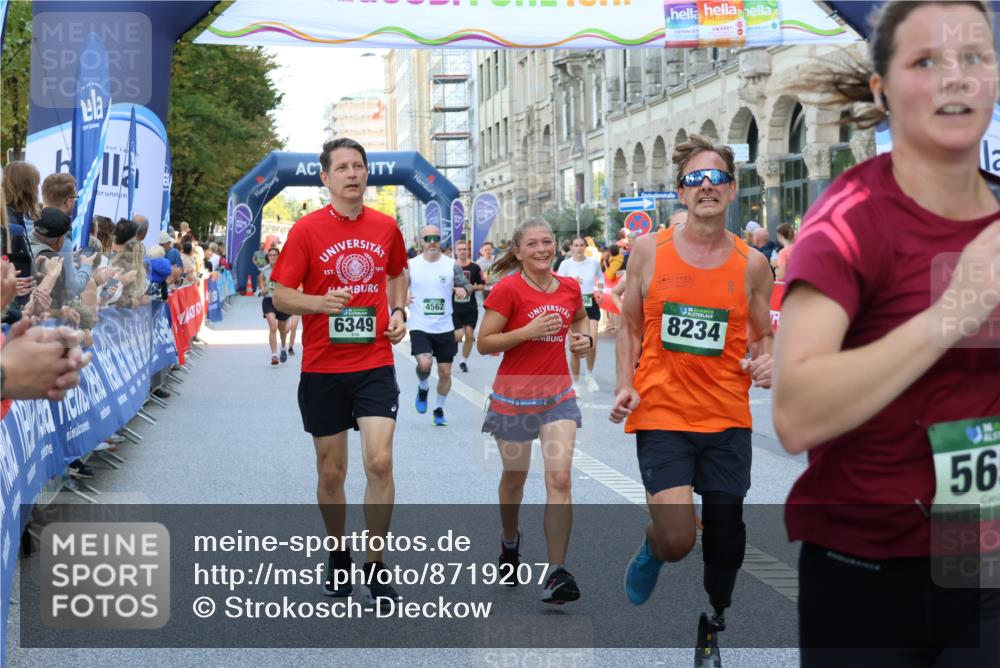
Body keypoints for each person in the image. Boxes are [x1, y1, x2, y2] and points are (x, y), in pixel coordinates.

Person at [773, 2, 1000, 666]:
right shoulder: (849, 219)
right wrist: (950, 314)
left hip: (979, 550)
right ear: (882, 90)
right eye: (926, 62)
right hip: (863, 570)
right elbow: (795, 415)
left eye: (973, 60)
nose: (953, 80)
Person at [610, 134, 774, 664]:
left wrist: (766, 360)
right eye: (695, 179)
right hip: (662, 409)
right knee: (680, 540)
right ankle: (656, 545)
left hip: (727, 411)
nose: (706, 187)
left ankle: (717, 615)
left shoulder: (753, 265)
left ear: (732, 189)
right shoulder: (646, 251)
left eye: (716, 178)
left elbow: (762, 335)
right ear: (680, 192)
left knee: (727, 529)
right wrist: (624, 384)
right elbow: (631, 327)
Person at [270, 137, 408, 608]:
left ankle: (376, 561)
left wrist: (398, 311)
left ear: (367, 174)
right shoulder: (307, 231)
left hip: (374, 362)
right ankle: (337, 552)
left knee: (380, 462)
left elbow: (396, 273)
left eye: (359, 166)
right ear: (325, 177)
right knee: (332, 472)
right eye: (343, 167)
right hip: (323, 365)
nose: (353, 174)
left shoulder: (386, 227)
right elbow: (281, 294)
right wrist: (318, 303)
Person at [477, 218, 592, 604]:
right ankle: (509, 542)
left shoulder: (569, 287)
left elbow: (579, 317)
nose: (542, 249)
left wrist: (584, 339)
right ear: (518, 251)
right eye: (532, 244)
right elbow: (484, 342)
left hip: (557, 396)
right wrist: (526, 331)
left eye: (547, 241)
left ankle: (557, 572)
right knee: (515, 478)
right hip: (513, 397)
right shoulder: (508, 290)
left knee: (559, 479)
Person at [407, 225, 470, 426]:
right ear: (421, 241)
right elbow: (396, 286)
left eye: (435, 238)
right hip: (419, 324)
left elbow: (466, 285)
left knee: (445, 372)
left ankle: (439, 408)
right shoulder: (411, 265)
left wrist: (463, 291)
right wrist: (404, 296)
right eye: (428, 238)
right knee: (425, 364)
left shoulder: (451, 265)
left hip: (444, 326)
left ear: (440, 240)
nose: (432, 241)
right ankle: (423, 386)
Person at [557, 236, 604, 392]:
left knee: (592, 343)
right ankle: (575, 383)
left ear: (585, 247)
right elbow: (557, 284)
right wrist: (571, 283)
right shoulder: (565, 264)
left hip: (590, 305)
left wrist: (600, 291)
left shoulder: (594, 263)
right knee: (576, 346)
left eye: (581, 245)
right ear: (571, 247)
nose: (578, 248)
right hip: (573, 307)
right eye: (575, 245)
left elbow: (601, 278)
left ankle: (589, 375)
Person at [452, 239, 484, 373]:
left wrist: (472, 288)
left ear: (468, 251)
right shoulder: (450, 267)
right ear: (455, 251)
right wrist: (455, 289)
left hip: (470, 307)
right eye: (459, 249)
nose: (462, 251)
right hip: (454, 307)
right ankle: (448, 350)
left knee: (469, 335)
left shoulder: (475, 267)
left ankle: (463, 361)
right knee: (458, 336)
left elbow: (482, 284)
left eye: (464, 249)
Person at [259, 246, 291, 366]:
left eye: (274, 255)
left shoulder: (285, 269)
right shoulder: (265, 269)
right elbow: (261, 279)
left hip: (281, 300)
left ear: (279, 257)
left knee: (282, 329)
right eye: (270, 255)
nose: (272, 257)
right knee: (273, 327)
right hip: (268, 300)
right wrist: (263, 288)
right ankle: (274, 355)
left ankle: (283, 347)